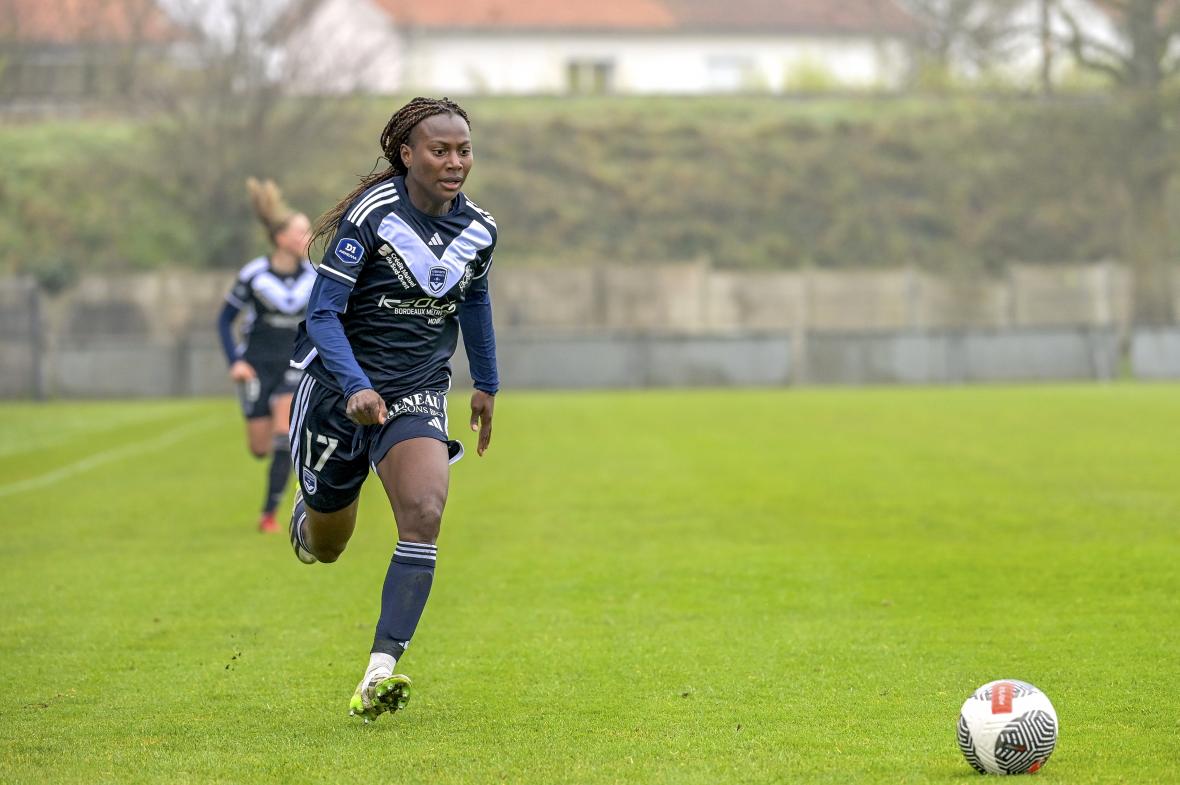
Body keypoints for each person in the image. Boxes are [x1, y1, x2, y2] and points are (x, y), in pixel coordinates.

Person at [288, 97, 499, 722]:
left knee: (426, 511)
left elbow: (476, 298)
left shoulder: (480, 230)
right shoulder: (374, 216)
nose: (455, 161)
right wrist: (354, 385)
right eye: (440, 150)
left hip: (416, 391)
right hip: (336, 391)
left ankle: (379, 671)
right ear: (407, 155)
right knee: (327, 545)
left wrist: (485, 380)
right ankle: (310, 513)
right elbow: (322, 313)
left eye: (464, 150)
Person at [217, 178, 315, 533]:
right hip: (257, 367)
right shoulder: (254, 275)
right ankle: (272, 507)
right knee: (260, 447)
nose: (309, 239)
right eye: (302, 232)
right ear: (281, 239)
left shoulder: (316, 277)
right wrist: (236, 362)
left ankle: (269, 514)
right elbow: (224, 320)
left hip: (294, 364)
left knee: (284, 431)